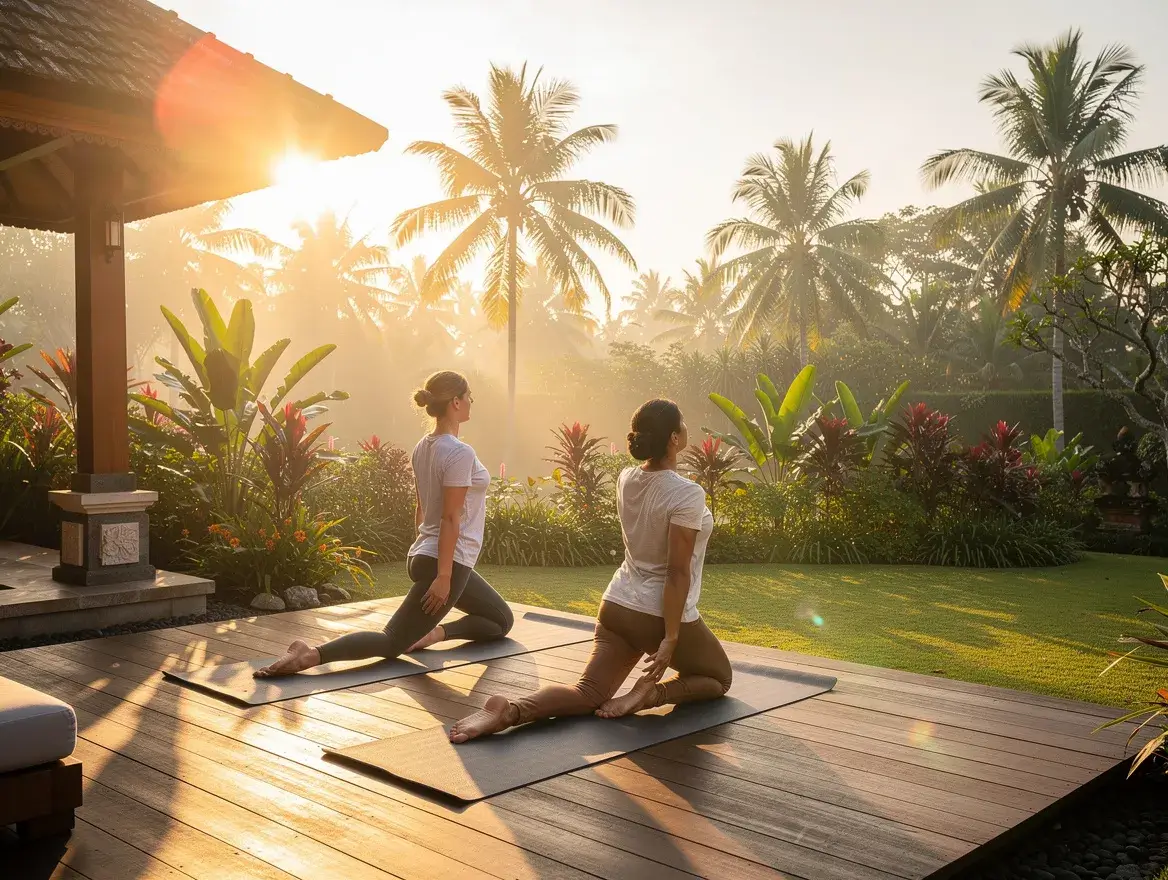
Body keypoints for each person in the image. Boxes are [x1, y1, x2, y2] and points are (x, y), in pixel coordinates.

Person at [448, 398, 731, 742]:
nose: (687, 428)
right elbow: (676, 572)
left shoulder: (627, 478)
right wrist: (670, 638)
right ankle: (650, 694)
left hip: (617, 604)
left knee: (587, 692)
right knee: (719, 679)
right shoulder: (687, 494)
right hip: (657, 613)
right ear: (673, 438)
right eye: (683, 423)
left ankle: (511, 710)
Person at [255, 370, 513, 678]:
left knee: (500, 620)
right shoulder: (459, 452)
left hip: (428, 555)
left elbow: (421, 507)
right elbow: (450, 516)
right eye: (469, 395)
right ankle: (309, 655)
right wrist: (443, 576)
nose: (472, 401)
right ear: (455, 402)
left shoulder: (424, 446)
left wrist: (425, 551)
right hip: (446, 562)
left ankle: (429, 633)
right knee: (391, 641)